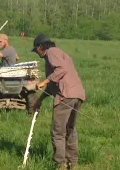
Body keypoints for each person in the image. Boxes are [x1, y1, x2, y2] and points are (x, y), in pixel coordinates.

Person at [31, 34, 86, 170]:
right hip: (77, 94)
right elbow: (53, 85)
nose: (36, 52)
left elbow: (61, 70)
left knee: (58, 132)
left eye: (36, 49)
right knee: (70, 130)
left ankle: (60, 164)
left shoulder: (51, 52)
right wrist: (40, 100)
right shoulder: (61, 53)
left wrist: (43, 81)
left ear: (40, 47)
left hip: (65, 96)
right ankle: (72, 163)